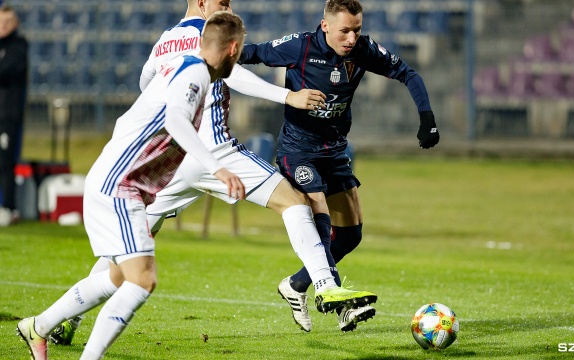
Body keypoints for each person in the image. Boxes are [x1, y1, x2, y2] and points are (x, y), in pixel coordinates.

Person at [46, 0, 377, 346]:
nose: (228, 7)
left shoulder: (166, 39)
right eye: (222, 2)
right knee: (293, 202)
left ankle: (64, 320)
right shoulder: (205, 36)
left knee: (126, 249)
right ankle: (325, 284)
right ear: (202, 3)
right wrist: (287, 96)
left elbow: (147, 81)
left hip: (173, 161)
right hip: (214, 151)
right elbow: (236, 73)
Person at [238, 0, 440, 332]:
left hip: (334, 150)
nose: (351, 38)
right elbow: (251, 53)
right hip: (298, 150)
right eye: (345, 30)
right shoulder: (300, 46)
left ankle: (296, 285)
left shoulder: (362, 50)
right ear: (325, 25)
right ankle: (338, 302)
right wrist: (210, 59)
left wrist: (427, 119)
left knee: (350, 235)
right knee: (319, 217)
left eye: (357, 30)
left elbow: (408, 73)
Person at [0, 4, 28, 226]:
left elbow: (7, 70)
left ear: (15, 24)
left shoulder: (19, 46)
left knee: (5, 161)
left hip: (7, 115)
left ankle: (8, 207)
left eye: (8, 22)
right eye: (0, 21)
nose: (3, 26)